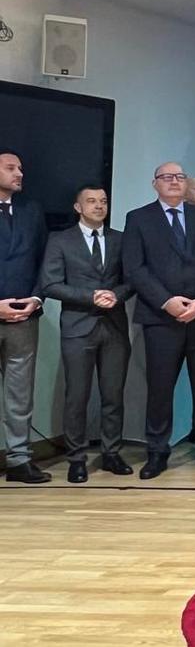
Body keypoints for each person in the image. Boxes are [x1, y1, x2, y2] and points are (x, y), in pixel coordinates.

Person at [122, 162, 195, 479]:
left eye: (180, 177)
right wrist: (167, 302)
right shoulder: (138, 218)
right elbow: (134, 268)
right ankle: (157, 451)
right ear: (155, 184)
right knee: (160, 387)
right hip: (160, 317)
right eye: (167, 177)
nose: (175, 181)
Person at [38, 184, 134, 483]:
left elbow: (132, 280)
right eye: (91, 201)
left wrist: (116, 295)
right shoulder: (60, 240)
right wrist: (90, 296)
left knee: (113, 396)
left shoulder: (121, 239)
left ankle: (111, 453)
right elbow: (50, 284)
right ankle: (77, 458)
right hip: (78, 327)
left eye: (103, 201)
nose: (99, 206)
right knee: (76, 397)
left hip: (114, 327)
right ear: (78, 207)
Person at [0, 150, 50, 483]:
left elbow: (45, 259)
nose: (19, 173)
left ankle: (19, 461)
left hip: (23, 315)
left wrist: (35, 298)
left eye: (20, 168)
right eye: (10, 168)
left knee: (20, 394)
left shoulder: (32, 210)